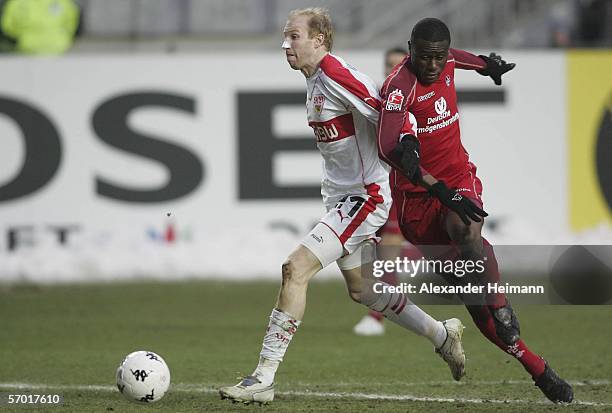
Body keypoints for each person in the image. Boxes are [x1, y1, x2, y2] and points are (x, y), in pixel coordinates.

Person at [219, 8, 467, 405]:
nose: (287, 44)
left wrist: (407, 143)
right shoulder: (316, 80)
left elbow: (386, 109)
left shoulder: (335, 74)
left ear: (319, 39)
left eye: (294, 36)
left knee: (294, 268)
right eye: (285, 36)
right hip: (342, 200)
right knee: (364, 291)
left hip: (364, 198)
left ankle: (262, 378)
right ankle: (442, 334)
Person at [377, 17, 573, 404]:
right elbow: (387, 148)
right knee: (473, 301)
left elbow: (459, 58)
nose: (433, 65)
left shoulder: (447, 60)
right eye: (424, 57)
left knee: (467, 229)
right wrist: (428, 178)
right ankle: (535, 364)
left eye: (438, 57)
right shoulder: (398, 89)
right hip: (418, 203)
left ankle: (501, 303)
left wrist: (486, 65)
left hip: (459, 180)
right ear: (411, 50)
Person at [353, 46, 409, 336]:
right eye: (389, 65)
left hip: (407, 184)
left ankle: (377, 316)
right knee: (380, 248)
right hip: (380, 184)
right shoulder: (377, 99)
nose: (392, 70)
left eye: (398, 66)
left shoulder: (420, 99)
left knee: (388, 247)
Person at [1, 0, 80, 54]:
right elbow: (72, 22)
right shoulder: (62, 2)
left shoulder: (17, 2)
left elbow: (7, 26)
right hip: (56, 48)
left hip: (28, 47)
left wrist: (22, 37)